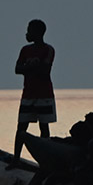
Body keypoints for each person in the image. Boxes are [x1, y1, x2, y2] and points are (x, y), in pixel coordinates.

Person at [13, 19, 56, 165]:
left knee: (44, 128)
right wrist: (33, 68)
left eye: (29, 30)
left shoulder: (48, 50)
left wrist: (27, 68)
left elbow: (45, 70)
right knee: (21, 127)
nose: (27, 33)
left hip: (44, 95)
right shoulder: (25, 50)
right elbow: (17, 69)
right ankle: (16, 159)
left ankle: (46, 162)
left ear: (38, 33)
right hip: (28, 94)